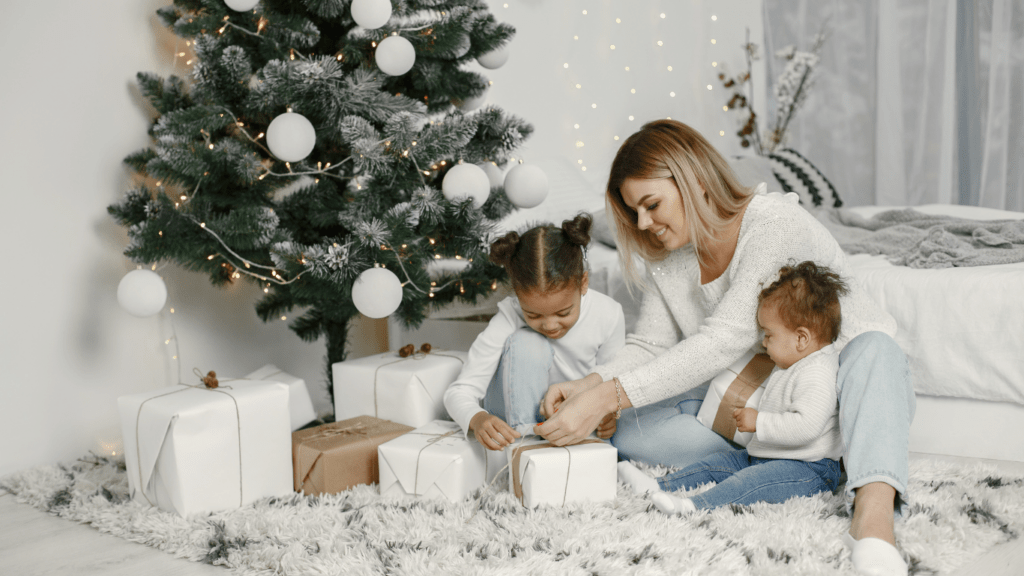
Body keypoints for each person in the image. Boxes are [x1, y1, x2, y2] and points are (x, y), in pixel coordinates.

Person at [532, 120, 914, 576]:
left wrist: (604, 396)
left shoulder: (772, 223)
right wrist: (589, 385)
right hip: (760, 394)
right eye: (634, 213)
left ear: (693, 179)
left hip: (842, 384)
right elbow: (651, 343)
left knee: (876, 348)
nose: (643, 224)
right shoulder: (671, 258)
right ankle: (785, 464)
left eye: (651, 205)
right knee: (626, 429)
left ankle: (872, 516)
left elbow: (723, 339)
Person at [618, 261, 846, 516]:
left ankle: (694, 506)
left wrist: (759, 422)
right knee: (718, 463)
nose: (764, 342)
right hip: (769, 455)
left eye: (769, 335)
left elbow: (806, 427)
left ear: (801, 338)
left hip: (809, 468)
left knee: (750, 483)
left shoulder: (817, 372)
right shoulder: (795, 362)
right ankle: (658, 485)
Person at [443, 214, 625, 452]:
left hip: (570, 415)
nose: (550, 325)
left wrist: (608, 413)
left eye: (563, 312)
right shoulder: (510, 313)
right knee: (528, 340)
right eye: (534, 315)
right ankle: (528, 450)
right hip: (510, 418)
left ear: (583, 282)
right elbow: (460, 391)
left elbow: (613, 382)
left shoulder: (608, 314)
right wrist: (477, 418)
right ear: (517, 295)